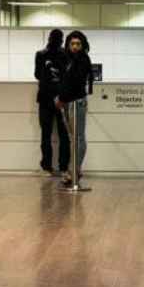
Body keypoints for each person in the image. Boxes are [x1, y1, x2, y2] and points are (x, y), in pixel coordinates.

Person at [55, 30, 93, 186]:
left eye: (78, 44)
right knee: (74, 138)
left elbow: (76, 83)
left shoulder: (83, 60)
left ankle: (74, 170)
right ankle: (75, 170)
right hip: (67, 102)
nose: (75, 46)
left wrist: (62, 98)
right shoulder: (67, 60)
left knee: (79, 138)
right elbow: (64, 81)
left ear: (82, 45)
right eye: (72, 43)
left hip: (77, 102)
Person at [34, 29, 70, 175]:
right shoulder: (66, 55)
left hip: (45, 98)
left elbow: (37, 75)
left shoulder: (40, 54)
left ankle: (47, 167)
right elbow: (68, 76)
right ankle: (63, 167)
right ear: (62, 40)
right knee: (64, 135)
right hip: (62, 99)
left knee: (46, 135)